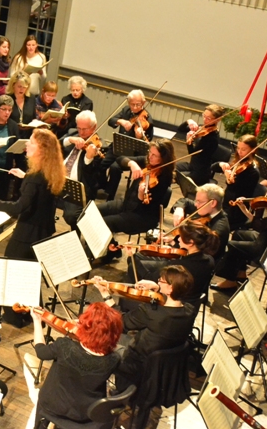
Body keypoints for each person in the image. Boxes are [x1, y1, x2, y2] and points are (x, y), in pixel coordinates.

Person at [93, 264, 195, 392]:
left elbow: (121, 321)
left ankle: (119, 392)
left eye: (161, 281)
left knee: (100, 339)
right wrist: (157, 288)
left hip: (138, 364)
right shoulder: (189, 310)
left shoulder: (150, 312)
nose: (158, 281)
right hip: (166, 366)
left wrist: (105, 295)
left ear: (170, 288)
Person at [31, 302, 123, 426]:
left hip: (54, 406)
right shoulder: (114, 359)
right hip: (87, 413)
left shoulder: (64, 346)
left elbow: (41, 352)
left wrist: (37, 321)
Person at [0, 128, 64, 259]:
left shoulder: (34, 177)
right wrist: (25, 177)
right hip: (43, 230)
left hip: (28, 233)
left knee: (12, 263)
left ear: (42, 149)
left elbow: (19, 207)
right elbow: (41, 190)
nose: (27, 144)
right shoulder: (51, 171)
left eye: (31, 142)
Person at [99, 139, 176, 258]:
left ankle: (109, 252)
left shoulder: (164, 178)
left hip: (142, 216)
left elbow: (148, 206)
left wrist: (141, 195)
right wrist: (132, 164)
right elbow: (120, 159)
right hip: (127, 204)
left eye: (155, 155)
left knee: (105, 222)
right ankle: (113, 249)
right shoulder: (147, 163)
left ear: (164, 158)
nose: (150, 157)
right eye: (150, 152)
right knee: (94, 211)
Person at [216, 134, 263, 229]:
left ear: (253, 150)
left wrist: (230, 180)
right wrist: (221, 164)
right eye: (238, 148)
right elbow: (213, 167)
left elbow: (238, 192)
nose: (239, 152)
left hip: (236, 211)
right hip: (226, 204)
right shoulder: (239, 162)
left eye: (244, 149)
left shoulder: (253, 172)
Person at [178, 104, 227, 186]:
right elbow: (180, 129)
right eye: (204, 115)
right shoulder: (203, 128)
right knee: (170, 168)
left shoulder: (212, 138)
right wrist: (188, 121)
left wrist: (189, 141)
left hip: (200, 173)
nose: (205, 120)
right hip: (192, 166)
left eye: (208, 118)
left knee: (174, 176)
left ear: (217, 120)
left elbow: (193, 153)